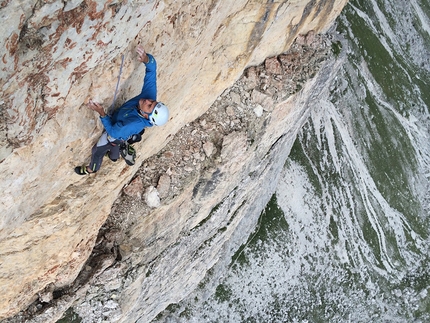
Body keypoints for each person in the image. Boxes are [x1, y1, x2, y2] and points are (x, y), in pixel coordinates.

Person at [75, 46, 169, 175]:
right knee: (114, 152)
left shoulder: (134, 123)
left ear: (146, 116)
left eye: (149, 105)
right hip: (123, 130)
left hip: (117, 133)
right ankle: (117, 153)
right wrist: (147, 60)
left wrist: (102, 113)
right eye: (152, 102)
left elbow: (113, 131)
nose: (147, 101)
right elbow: (152, 72)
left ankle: (92, 169)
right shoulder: (149, 98)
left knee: (98, 151)